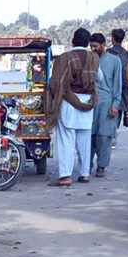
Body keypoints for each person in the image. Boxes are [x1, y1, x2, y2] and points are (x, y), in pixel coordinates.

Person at [46, 28, 99, 186]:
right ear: (87, 43)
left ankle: (65, 176)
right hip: (88, 103)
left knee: (66, 140)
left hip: (69, 103)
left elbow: (55, 83)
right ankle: (84, 174)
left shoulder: (65, 58)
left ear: (73, 41)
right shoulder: (94, 57)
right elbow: (100, 78)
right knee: (84, 140)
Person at [89, 33, 122, 178]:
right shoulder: (89, 59)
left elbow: (117, 84)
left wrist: (115, 104)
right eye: (91, 46)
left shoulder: (115, 61)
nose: (93, 49)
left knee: (104, 136)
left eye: (95, 46)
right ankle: (86, 164)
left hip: (107, 102)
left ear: (103, 45)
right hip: (90, 102)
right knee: (89, 136)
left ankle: (101, 166)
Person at [107, 28, 128, 130]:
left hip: (109, 93)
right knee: (116, 122)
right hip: (122, 94)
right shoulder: (127, 55)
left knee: (107, 123)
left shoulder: (108, 54)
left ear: (113, 39)